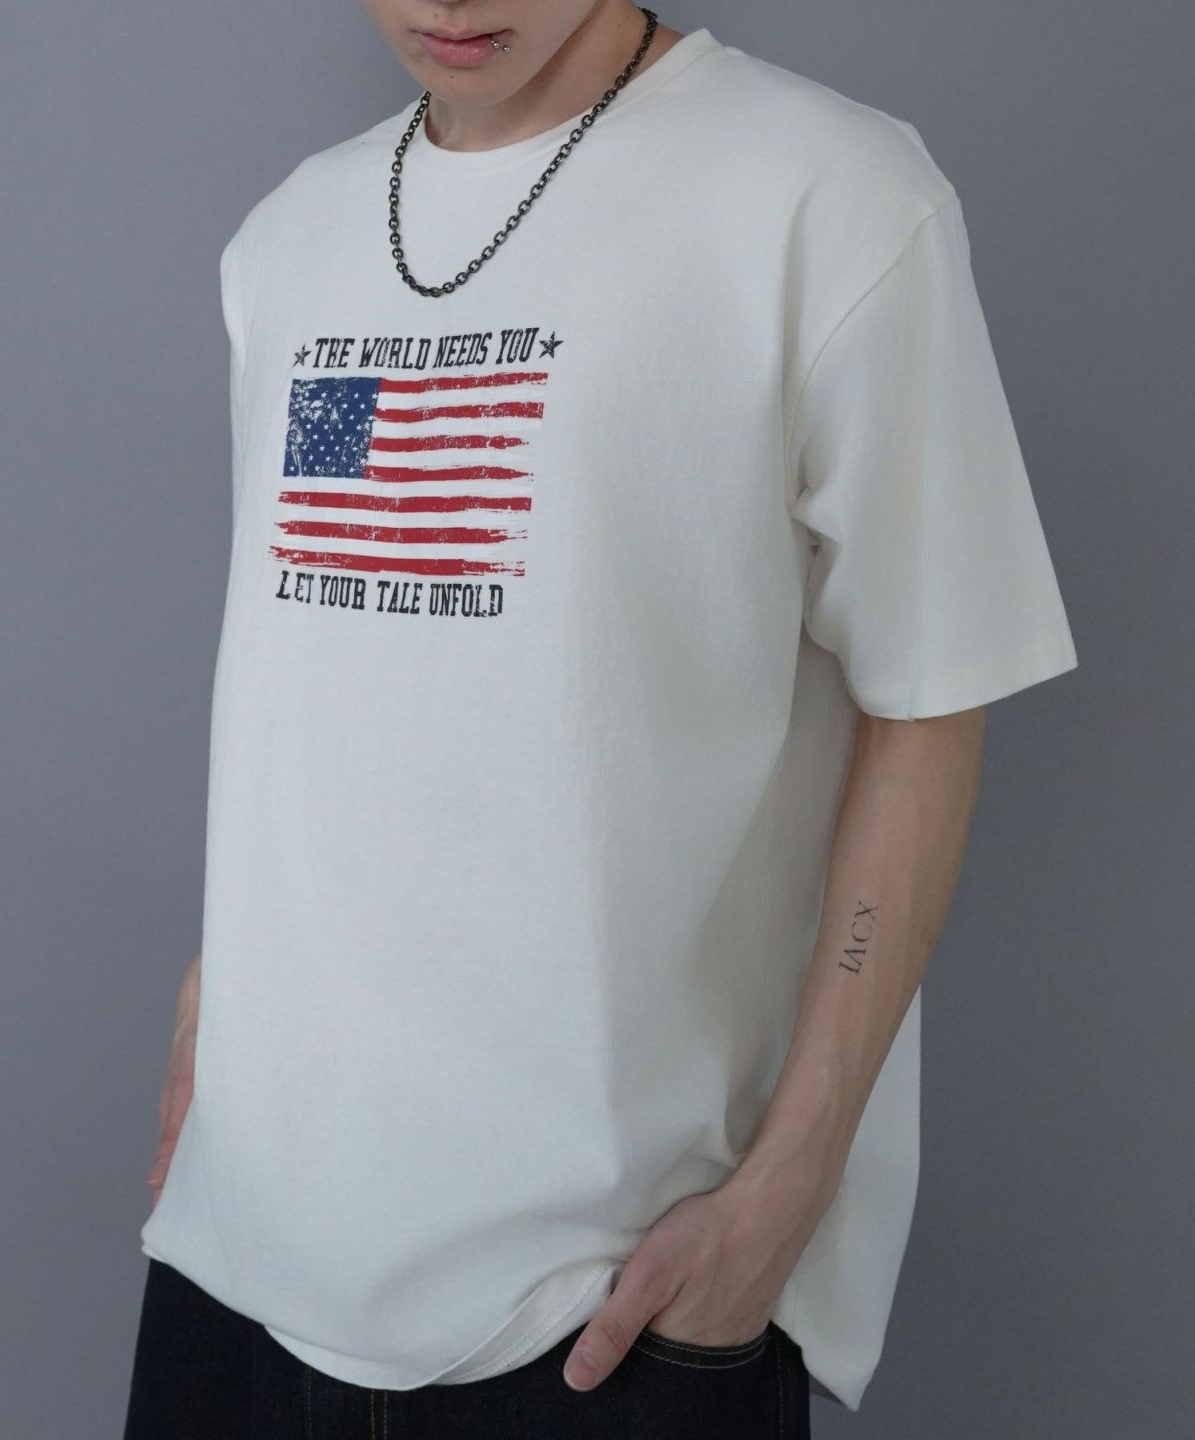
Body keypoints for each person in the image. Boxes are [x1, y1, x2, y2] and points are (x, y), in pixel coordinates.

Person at [123, 2, 1079, 1436]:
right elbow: (329, 665)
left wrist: (792, 1185)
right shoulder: (289, 235)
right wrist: (230, 975)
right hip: (237, 1250)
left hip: (603, 1302)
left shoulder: (829, 193)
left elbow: (931, 704)